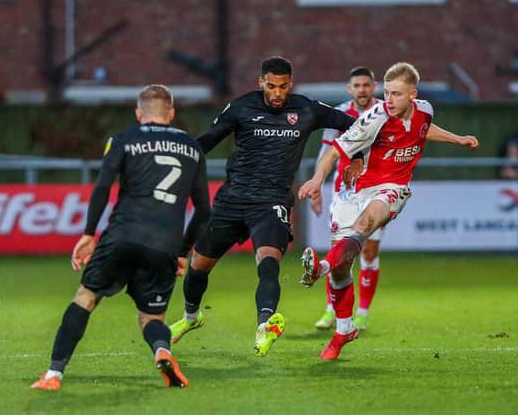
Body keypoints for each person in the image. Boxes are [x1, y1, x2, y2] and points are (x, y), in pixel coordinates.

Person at [168, 56, 356, 356]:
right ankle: (191, 317)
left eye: (283, 86)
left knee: (268, 262)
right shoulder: (241, 107)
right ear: (261, 83)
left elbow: (355, 126)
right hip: (231, 199)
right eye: (271, 86)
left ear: (290, 84)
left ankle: (265, 325)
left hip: (271, 203)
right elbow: (207, 140)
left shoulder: (306, 109)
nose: (278, 93)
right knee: (198, 266)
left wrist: (355, 157)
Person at [31, 84, 210, 390]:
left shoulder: (124, 139)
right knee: (151, 318)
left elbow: (102, 186)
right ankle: (162, 351)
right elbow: (204, 210)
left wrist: (89, 234)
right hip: (164, 243)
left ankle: (53, 375)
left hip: (123, 234)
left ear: (139, 113)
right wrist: (182, 251)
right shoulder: (193, 148)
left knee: (86, 298)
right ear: (172, 113)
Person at [298, 62, 479, 360]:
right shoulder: (375, 118)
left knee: (368, 224)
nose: (389, 99)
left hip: (391, 188)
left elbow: (424, 128)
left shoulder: (425, 109)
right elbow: (333, 151)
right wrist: (317, 181)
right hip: (352, 192)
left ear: (413, 95)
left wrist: (457, 139)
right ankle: (344, 329)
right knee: (344, 267)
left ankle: (320, 269)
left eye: (397, 94)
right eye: (388, 93)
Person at [311, 67, 384, 331]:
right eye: (358, 85)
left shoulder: (387, 112)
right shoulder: (339, 114)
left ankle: (363, 311)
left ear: (374, 86)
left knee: (369, 250)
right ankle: (332, 310)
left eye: (367, 85)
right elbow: (326, 151)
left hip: (376, 190)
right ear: (349, 88)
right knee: (339, 249)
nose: (362, 89)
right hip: (345, 191)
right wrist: (317, 185)